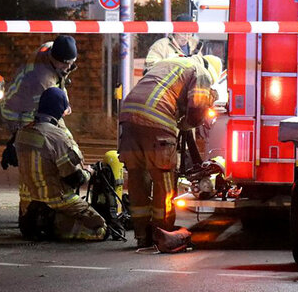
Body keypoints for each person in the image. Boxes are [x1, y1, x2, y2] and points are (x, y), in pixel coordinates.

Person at [118, 54, 222, 250]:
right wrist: (188, 123)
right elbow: (197, 109)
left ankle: (141, 235)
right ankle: (163, 233)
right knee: (163, 179)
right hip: (156, 119)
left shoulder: (170, 63)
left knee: (136, 177)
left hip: (128, 115)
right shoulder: (202, 73)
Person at [16, 87, 107, 241]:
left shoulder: (23, 132)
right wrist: (90, 171)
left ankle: (37, 221)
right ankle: (52, 225)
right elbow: (73, 178)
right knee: (100, 230)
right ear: (59, 109)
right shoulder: (57, 137)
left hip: (29, 202)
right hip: (57, 200)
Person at [0, 35, 78, 169]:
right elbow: (54, 111)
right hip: (17, 112)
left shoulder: (49, 48)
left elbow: (59, 82)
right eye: (65, 63)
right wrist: (65, 107)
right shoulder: (42, 80)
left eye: (72, 62)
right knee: (56, 140)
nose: (69, 67)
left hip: (25, 101)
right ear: (54, 58)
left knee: (51, 140)